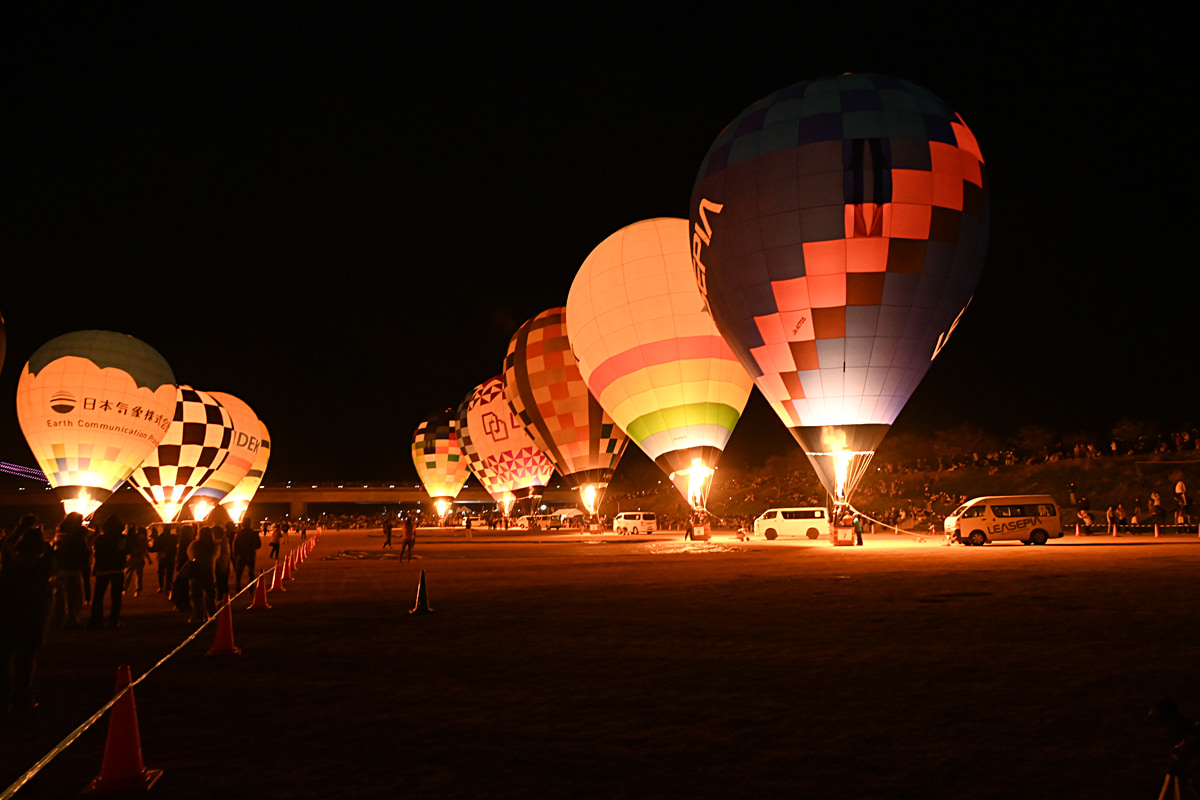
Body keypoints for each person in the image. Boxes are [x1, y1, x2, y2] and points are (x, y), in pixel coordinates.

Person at [0, 521, 55, 713]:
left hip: (7, 618)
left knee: (4, 658)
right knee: (25, 661)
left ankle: (4, 697)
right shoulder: (41, 568)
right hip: (31, 620)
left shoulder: (9, 564)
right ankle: (22, 698)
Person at [89, 515, 129, 629]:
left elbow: (96, 550)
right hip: (117, 570)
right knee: (116, 597)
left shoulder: (101, 538)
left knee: (98, 596)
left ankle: (96, 621)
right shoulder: (121, 538)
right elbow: (125, 551)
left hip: (102, 570)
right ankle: (114, 620)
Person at [52, 513, 89, 629]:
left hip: (61, 569)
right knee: (75, 596)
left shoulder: (59, 534)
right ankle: (72, 620)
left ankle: (60, 619)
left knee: (61, 596)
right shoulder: (77, 536)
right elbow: (82, 551)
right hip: (73, 568)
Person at [188, 527, 218, 623]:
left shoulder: (195, 545)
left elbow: (190, 555)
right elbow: (215, 556)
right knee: (210, 595)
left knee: (196, 595)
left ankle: (199, 614)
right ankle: (213, 614)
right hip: (209, 572)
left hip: (197, 572)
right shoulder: (214, 546)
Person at [233, 521, 261, 591]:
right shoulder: (254, 533)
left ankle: (238, 585)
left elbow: (235, 544)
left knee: (239, 572)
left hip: (241, 555)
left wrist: (236, 554)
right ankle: (251, 586)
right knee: (251, 572)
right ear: (250, 524)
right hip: (250, 555)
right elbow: (258, 545)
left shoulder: (239, 533)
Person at [124, 524, 149, 597]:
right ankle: (137, 590)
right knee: (139, 575)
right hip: (140, 558)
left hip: (132, 557)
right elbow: (145, 550)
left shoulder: (132, 538)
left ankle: (125, 588)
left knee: (128, 574)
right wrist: (148, 559)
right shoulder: (144, 539)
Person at [152, 524, 177, 595]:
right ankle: (168, 587)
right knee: (169, 573)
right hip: (171, 557)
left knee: (161, 573)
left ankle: (161, 587)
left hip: (162, 557)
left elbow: (154, 548)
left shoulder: (160, 537)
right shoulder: (174, 537)